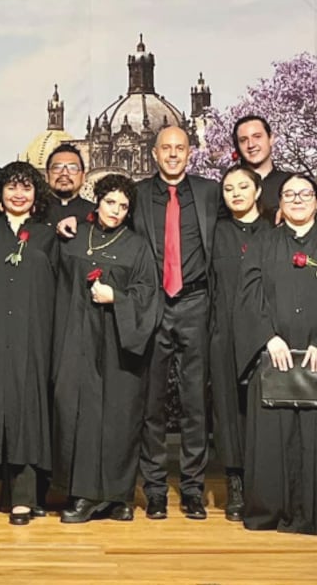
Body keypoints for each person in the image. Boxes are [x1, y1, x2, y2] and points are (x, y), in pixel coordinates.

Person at [234, 174, 317, 536]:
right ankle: (272, 512)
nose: (297, 200)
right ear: (279, 203)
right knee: (275, 439)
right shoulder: (262, 244)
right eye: (289, 194)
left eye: (304, 194)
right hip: (275, 356)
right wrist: (268, 338)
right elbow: (248, 294)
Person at [52, 174, 160, 523]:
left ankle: (120, 496)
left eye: (123, 206)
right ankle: (83, 495)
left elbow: (149, 294)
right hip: (77, 340)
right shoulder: (72, 237)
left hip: (119, 344)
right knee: (79, 414)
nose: (116, 211)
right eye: (110, 202)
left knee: (120, 417)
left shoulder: (137, 246)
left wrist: (118, 297)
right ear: (96, 201)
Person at [132, 126, 220, 520]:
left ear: (190, 153)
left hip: (196, 302)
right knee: (150, 403)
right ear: (153, 154)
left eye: (179, 148)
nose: (172, 154)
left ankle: (192, 489)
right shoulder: (136, 195)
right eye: (165, 148)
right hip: (153, 306)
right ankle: (153, 490)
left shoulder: (209, 193)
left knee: (194, 403)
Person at [0, 162, 58, 525]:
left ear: (37, 195)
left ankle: (25, 495)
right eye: (11, 187)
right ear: (0, 194)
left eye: (26, 188)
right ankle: (4, 490)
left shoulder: (48, 235)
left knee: (27, 407)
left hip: (34, 335)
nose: (18, 194)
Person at [207, 166, 267, 521]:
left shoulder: (275, 232)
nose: (236, 193)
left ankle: (266, 484)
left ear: (258, 191)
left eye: (243, 186)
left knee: (264, 409)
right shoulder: (215, 233)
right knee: (228, 412)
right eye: (228, 188)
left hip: (267, 335)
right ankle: (236, 486)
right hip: (224, 333)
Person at [232, 115, 290, 216]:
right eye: (243, 140)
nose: (251, 145)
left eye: (257, 137)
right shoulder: (229, 187)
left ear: (271, 138)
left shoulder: (290, 183)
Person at [44, 143, 94, 225]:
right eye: (57, 168)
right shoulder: (34, 211)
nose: (64, 173)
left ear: (83, 177)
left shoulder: (94, 213)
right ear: (46, 176)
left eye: (73, 168)